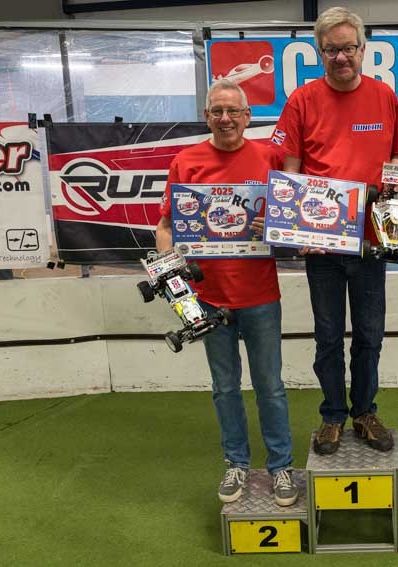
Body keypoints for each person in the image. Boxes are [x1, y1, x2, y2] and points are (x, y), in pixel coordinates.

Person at [156, 79, 298, 506]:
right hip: (207, 297)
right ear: (206, 117)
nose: (225, 118)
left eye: (233, 111)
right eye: (217, 111)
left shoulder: (270, 157)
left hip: (260, 296)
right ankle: (236, 463)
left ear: (247, 116)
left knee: (270, 386)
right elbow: (165, 226)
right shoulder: (186, 161)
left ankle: (281, 467)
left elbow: (293, 219)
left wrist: (275, 223)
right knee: (224, 387)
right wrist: (170, 272)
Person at [273, 6, 398, 455]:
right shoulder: (301, 100)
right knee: (328, 336)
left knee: (369, 335)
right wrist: (296, 229)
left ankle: (364, 411)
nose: (341, 57)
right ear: (320, 53)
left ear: (363, 49)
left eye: (348, 48)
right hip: (322, 246)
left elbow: (395, 162)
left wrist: (395, 211)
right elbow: (290, 170)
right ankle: (332, 416)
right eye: (331, 50)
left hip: (370, 243)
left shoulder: (384, 97)